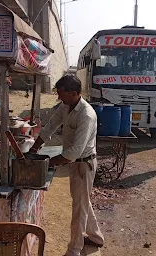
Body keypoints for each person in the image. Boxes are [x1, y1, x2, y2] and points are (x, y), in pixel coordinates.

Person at [29, 74, 104, 256]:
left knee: (79, 208)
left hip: (83, 164)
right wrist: (35, 147)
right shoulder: (66, 105)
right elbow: (51, 126)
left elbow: (74, 152)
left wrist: (46, 162)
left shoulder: (86, 115)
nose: (58, 97)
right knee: (81, 202)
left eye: (61, 93)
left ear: (74, 93)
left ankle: (74, 250)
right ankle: (96, 238)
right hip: (75, 164)